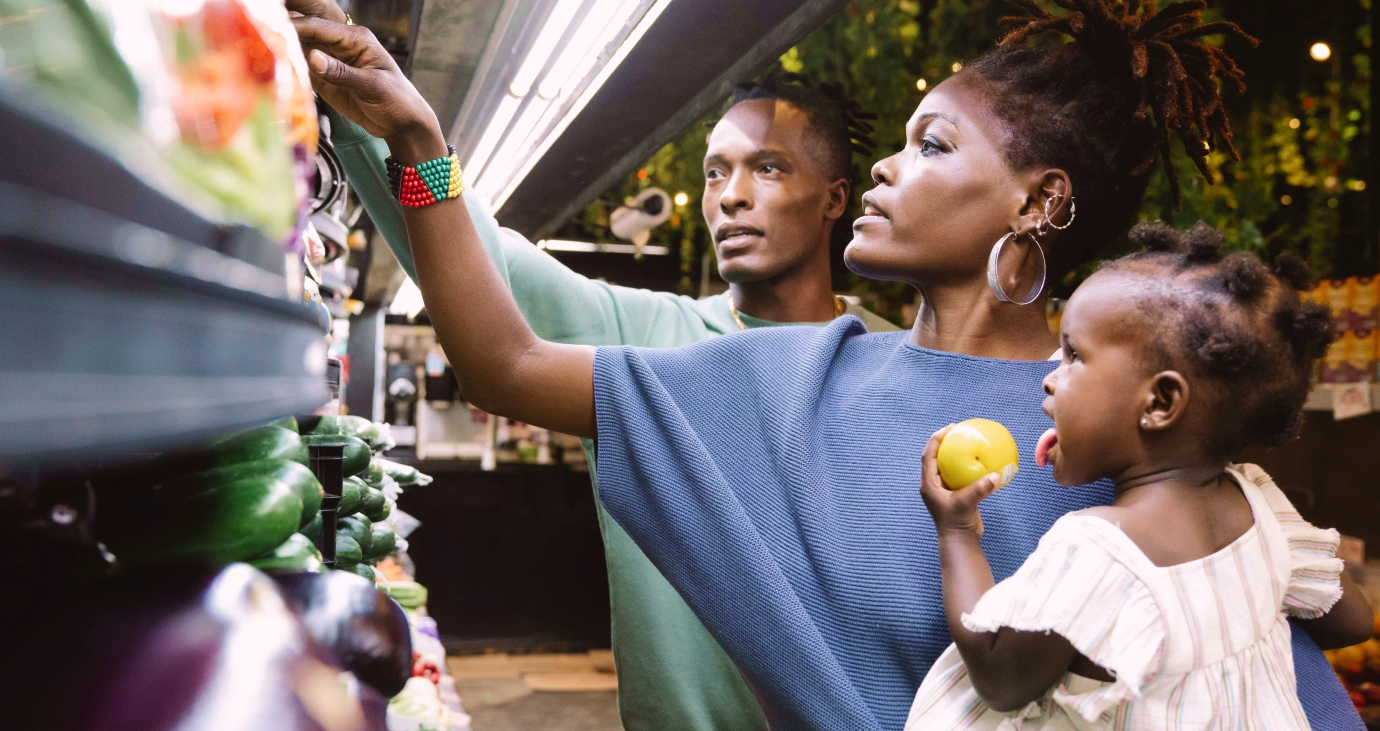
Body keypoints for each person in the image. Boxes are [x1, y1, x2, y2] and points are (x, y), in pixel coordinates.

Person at [289, 0, 1366, 728]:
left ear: (1037, 201)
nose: (888, 165)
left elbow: (1281, 656)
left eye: (933, 145)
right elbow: (506, 359)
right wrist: (418, 148)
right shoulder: (785, 379)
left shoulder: (1135, 430)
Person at [287, 3, 894, 729]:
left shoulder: (899, 360)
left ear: (834, 199)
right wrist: (367, 120)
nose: (731, 195)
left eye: (768, 168)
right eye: (714, 172)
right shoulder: (649, 335)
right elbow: (480, 262)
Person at [908, 221, 1374, 729]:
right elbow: (1352, 622)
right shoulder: (1260, 504)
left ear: (1159, 402)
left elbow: (1001, 678)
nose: (1049, 377)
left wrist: (957, 531)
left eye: (1074, 355)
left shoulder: (1097, 551)